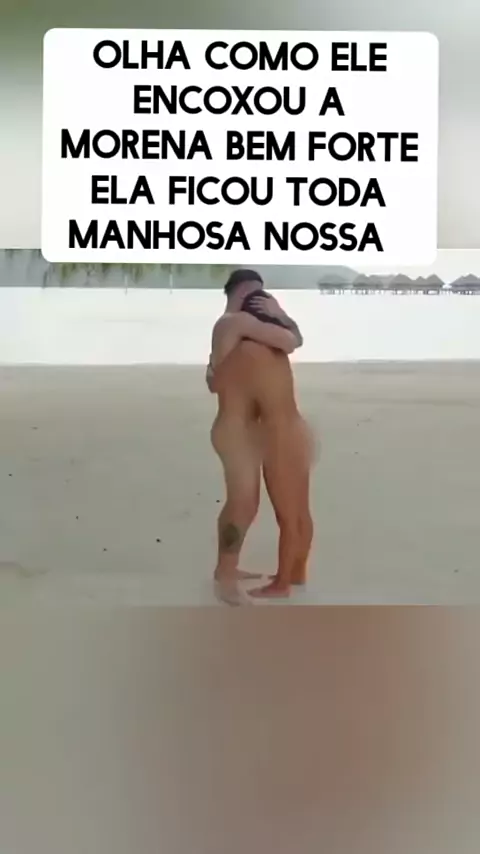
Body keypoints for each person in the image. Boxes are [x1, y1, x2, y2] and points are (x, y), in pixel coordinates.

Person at [207, 269, 314, 605]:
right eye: (256, 295)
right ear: (240, 292)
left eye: (264, 296)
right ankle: (226, 577)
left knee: (286, 507)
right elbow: (291, 340)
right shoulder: (235, 322)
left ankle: (288, 574)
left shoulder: (244, 333)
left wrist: (278, 317)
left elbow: (216, 381)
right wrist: (278, 315)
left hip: (256, 427)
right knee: (244, 504)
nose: (262, 300)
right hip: (237, 430)